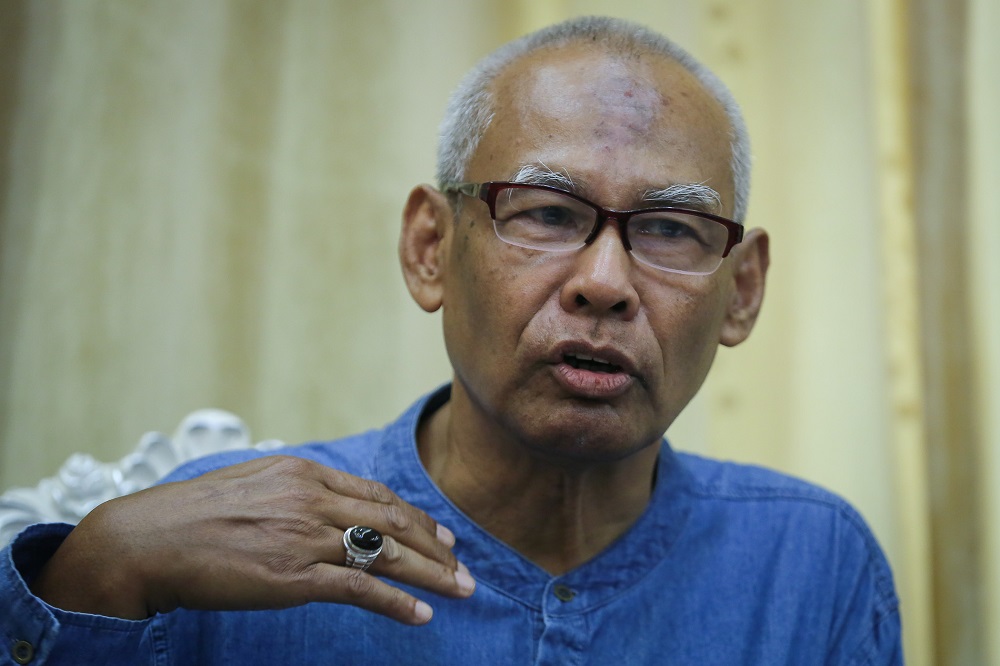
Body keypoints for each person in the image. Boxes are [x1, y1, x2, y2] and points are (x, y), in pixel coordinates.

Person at [0, 16, 902, 665]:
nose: (605, 283)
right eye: (547, 213)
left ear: (741, 292)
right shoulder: (210, 547)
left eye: (670, 230)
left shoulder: (812, 562)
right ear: (430, 248)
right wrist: (97, 572)